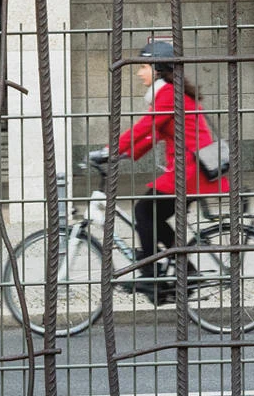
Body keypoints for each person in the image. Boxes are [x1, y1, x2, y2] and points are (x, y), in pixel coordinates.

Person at [89, 40, 229, 300]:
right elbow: (152, 134)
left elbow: (144, 127)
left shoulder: (168, 94)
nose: (139, 72)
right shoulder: (168, 94)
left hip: (190, 172)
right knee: (153, 215)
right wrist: (123, 154)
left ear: (157, 68)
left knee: (144, 211)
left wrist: (109, 150)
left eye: (143, 66)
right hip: (188, 171)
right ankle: (184, 272)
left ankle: (151, 275)